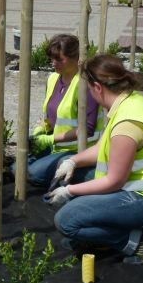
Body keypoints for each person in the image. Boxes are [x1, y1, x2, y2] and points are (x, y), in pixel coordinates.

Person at [46, 54, 143, 265]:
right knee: (75, 178)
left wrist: (68, 191)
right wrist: (72, 161)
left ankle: (135, 241)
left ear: (98, 88)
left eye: (89, 88)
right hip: (138, 186)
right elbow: (102, 149)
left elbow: (114, 181)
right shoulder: (130, 101)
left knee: (66, 222)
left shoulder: (127, 124)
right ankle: (102, 235)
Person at [27, 34, 103, 188]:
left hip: (79, 149)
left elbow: (87, 129)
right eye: (51, 59)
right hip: (57, 146)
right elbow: (51, 115)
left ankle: (86, 174)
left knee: (33, 174)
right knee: (18, 168)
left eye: (59, 59)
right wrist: (42, 128)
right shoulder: (53, 79)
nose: (53, 63)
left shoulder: (85, 85)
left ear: (76, 58)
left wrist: (50, 139)